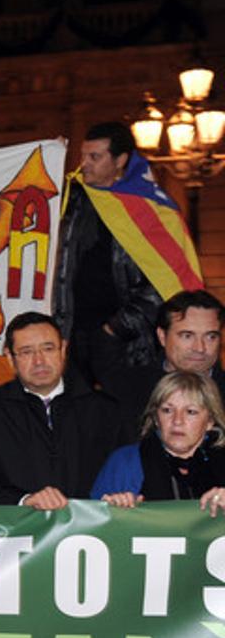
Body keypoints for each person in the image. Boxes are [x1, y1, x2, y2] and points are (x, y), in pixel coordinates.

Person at [53, 121, 202, 380]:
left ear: (120, 160)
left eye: (95, 157)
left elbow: (167, 284)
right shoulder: (72, 200)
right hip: (73, 340)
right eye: (83, 155)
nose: (84, 164)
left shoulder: (152, 207)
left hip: (127, 344)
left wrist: (116, 328)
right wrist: (50, 161)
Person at [0, 312, 125, 509]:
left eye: (48, 349)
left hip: (90, 534)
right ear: (9, 358)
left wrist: (122, 496)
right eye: (26, 352)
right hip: (16, 532)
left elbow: (126, 471)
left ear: (63, 350)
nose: (39, 361)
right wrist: (24, 500)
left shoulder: (103, 410)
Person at [92, 370, 225, 513]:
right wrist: (112, 508)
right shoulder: (125, 461)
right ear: (156, 418)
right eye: (167, 410)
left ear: (210, 421)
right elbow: (93, 523)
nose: (177, 421)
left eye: (191, 412)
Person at [96, 289, 225, 433]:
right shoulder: (126, 387)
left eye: (210, 337)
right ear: (162, 336)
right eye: (187, 336)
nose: (200, 348)